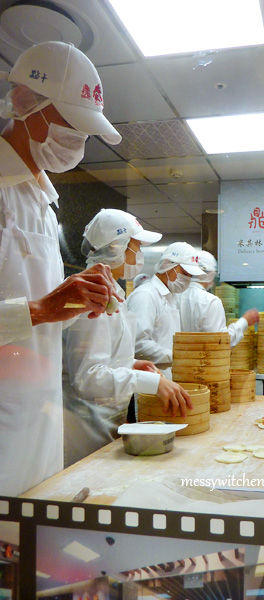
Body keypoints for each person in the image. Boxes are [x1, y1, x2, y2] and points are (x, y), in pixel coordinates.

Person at [0, 41, 123, 496]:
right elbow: (34, 311)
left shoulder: (45, 203)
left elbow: (42, 316)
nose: (78, 139)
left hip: (39, 424)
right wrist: (41, 309)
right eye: (70, 124)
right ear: (23, 103)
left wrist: (74, 303)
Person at [63, 209, 192, 466]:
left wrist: (131, 363)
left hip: (109, 419)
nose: (139, 256)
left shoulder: (114, 290)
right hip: (85, 424)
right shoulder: (90, 292)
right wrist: (152, 383)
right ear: (116, 248)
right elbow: (88, 378)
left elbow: (105, 354)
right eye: (136, 247)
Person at [127, 242, 204, 377]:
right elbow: (138, 345)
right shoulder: (146, 296)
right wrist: (177, 357)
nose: (188, 279)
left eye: (190, 276)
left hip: (165, 378)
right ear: (167, 266)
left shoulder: (171, 297)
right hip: (148, 382)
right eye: (185, 273)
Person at [178, 250, 259, 344]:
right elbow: (220, 342)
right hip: (204, 357)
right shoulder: (211, 301)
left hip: (177, 357)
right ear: (210, 275)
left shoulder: (176, 296)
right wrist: (245, 321)